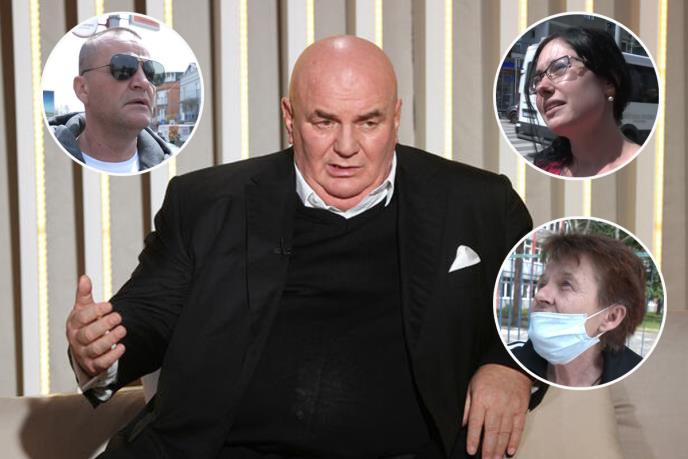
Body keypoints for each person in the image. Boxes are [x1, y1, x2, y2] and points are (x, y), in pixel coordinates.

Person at [66, 36, 535, 458]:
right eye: (324, 122)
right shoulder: (207, 204)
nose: (347, 146)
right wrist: (97, 350)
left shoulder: (478, 203)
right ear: (290, 119)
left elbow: (543, 298)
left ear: (395, 118)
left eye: (368, 122)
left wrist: (509, 365)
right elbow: (147, 317)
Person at [511, 233, 646, 387]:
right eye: (542, 283)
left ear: (611, 317)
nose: (540, 295)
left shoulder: (640, 385)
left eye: (566, 284)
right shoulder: (505, 368)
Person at [49, 27, 173, 174]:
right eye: (124, 68)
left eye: (150, 72)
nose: (144, 82)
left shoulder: (172, 172)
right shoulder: (42, 164)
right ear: (83, 89)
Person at [526, 27, 639, 177]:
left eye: (559, 67)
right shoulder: (544, 168)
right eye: (537, 79)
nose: (541, 87)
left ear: (609, 82)